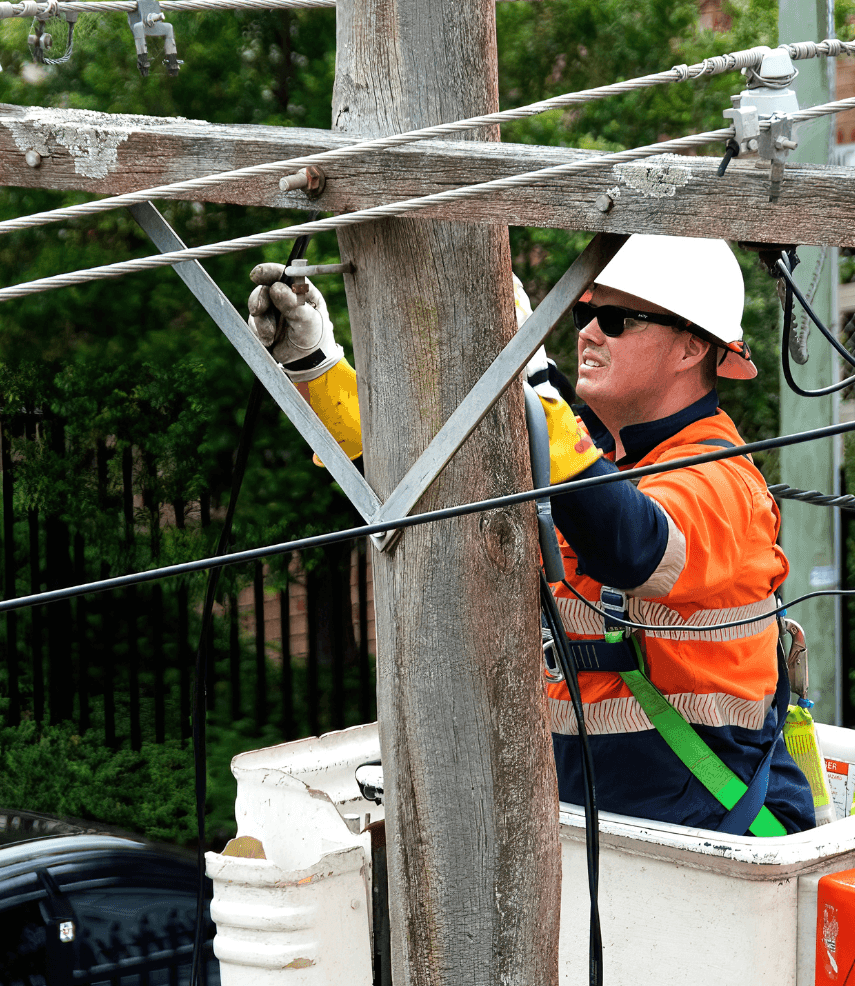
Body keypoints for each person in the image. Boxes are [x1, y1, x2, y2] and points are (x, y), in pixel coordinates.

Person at [247, 235, 815, 836]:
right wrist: (317, 368)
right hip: (604, 837)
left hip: (721, 841)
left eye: (616, 320)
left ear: (691, 347)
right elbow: (420, 481)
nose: (588, 334)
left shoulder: (724, 479)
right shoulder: (579, 453)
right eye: (583, 314)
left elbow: (633, 547)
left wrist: (536, 382)